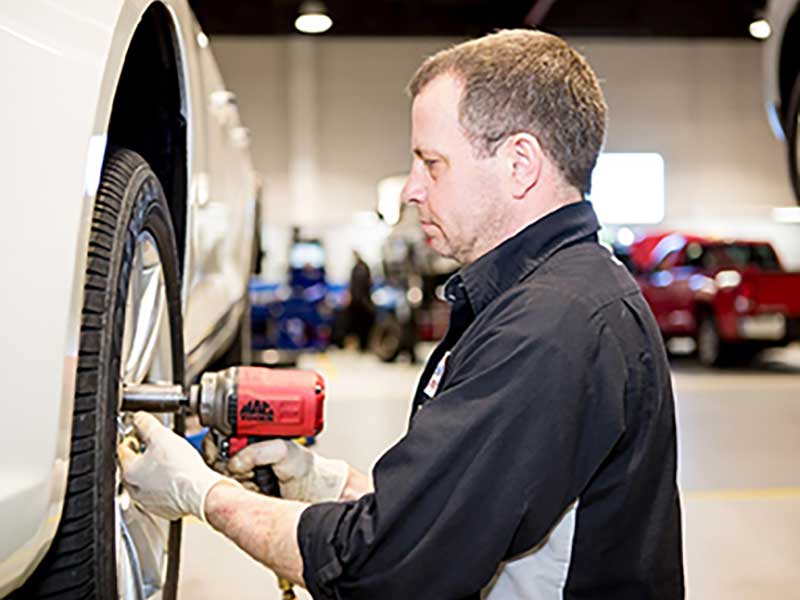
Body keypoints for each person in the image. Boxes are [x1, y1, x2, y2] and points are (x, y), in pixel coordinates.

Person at [120, 30, 685, 599]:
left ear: (520, 164)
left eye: (432, 164)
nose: (412, 189)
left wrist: (204, 495)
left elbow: (389, 567)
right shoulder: (550, 297)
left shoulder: (552, 328)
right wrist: (326, 484)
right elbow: (454, 515)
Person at [347, 250, 375, 351]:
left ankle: (363, 345)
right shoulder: (362, 268)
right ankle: (363, 345)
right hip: (362, 301)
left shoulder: (359, 268)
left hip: (360, 302)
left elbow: (354, 286)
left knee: (361, 325)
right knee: (360, 325)